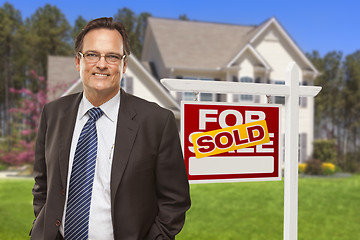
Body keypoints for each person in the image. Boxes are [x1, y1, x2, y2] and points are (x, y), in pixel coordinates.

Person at [30, 17, 191, 240]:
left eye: (113, 56)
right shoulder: (53, 114)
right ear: (78, 61)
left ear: (124, 65)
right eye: (92, 54)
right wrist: (42, 226)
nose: (102, 64)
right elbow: (42, 184)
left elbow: (175, 200)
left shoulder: (157, 121)